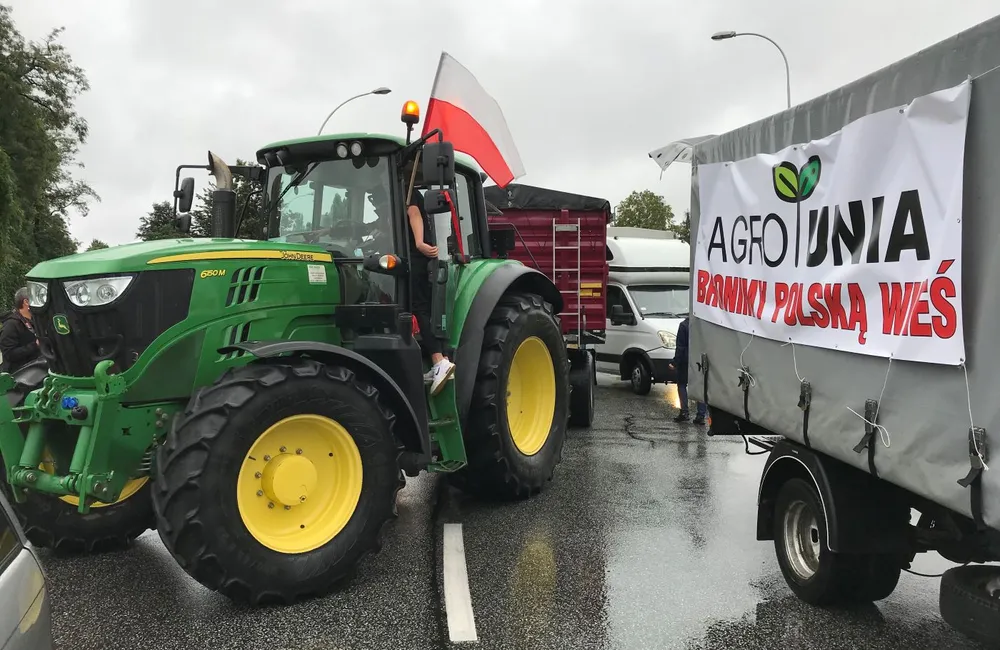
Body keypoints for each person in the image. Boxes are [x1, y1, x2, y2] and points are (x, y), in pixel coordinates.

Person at [406, 186, 455, 395]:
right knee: (420, 307)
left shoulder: (406, 192)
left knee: (420, 307)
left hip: (414, 259)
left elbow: (413, 213)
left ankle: (438, 360)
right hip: (415, 259)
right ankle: (437, 360)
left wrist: (419, 242)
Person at [669, 316, 707, 425]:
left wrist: (675, 362)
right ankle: (701, 415)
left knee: (682, 384)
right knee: (700, 387)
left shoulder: (684, 325)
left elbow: (680, 347)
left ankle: (684, 412)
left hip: (686, 360)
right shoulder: (703, 325)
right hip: (700, 360)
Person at [0, 287, 40, 374]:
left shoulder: (36, 321)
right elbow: (9, 354)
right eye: (37, 299)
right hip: (20, 377)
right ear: (26, 302)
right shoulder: (11, 325)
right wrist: (35, 345)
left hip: (38, 371)